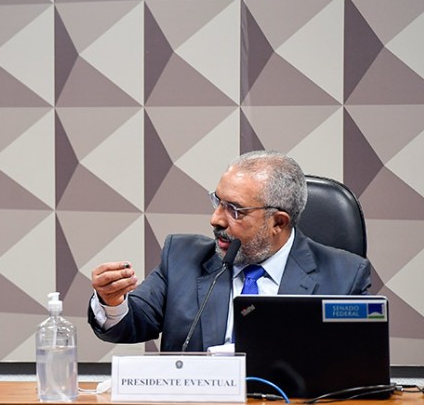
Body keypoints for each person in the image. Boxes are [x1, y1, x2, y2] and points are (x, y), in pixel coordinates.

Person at [89, 150, 371, 352]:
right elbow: (130, 324)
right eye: (218, 201)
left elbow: (354, 368)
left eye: (234, 209)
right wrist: (112, 301)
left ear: (278, 222)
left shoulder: (345, 277)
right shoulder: (182, 258)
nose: (216, 219)